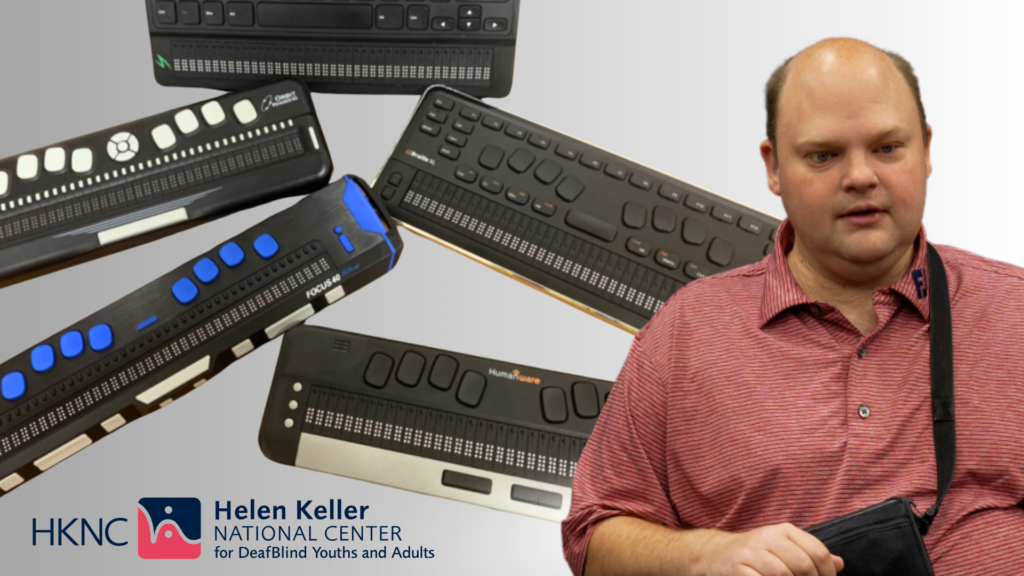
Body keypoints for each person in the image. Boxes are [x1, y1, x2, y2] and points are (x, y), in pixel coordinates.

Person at [562, 38, 1024, 576]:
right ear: (774, 166)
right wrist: (706, 555)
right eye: (823, 155)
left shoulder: (1014, 311)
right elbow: (591, 537)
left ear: (925, 149)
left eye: (887, 148)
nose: (860, 176)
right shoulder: (686, 331)